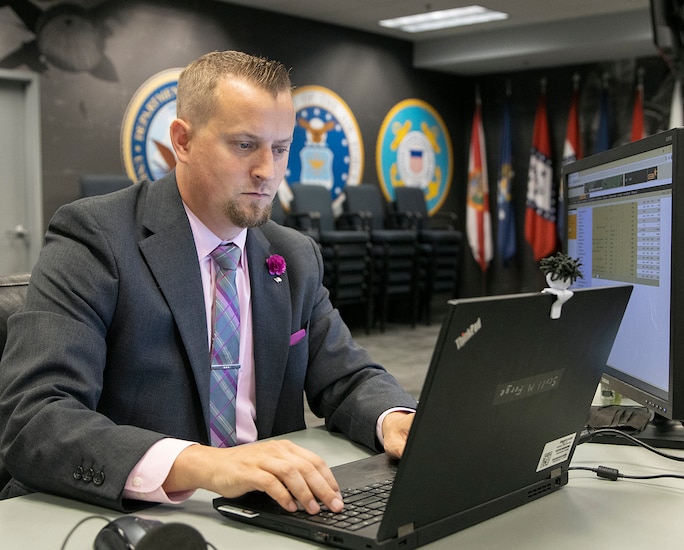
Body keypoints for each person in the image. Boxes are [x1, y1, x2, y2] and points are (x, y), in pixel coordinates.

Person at [0, 50, 417, 514]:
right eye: (244, 145)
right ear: (182, 141)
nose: (267, 171)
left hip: (265, 515)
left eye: (280, 149)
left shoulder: (294, 255)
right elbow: (34, 419)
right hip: (127, 515)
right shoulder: (96, 238)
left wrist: (396, 419)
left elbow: (348, 376)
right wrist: (209, 465)